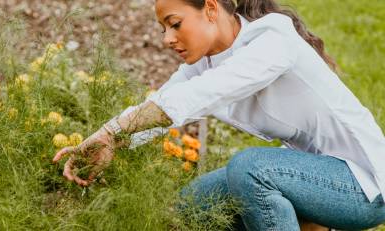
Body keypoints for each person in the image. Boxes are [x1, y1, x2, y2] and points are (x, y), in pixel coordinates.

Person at [52, 0, 385, 230]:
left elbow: (202, 94)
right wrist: (111, 141)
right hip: (308, 176)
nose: (167, 39)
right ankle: (310, 223)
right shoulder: (203, 63)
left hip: (362, 186)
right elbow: (166, 102)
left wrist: (112, 130)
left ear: (210, 8)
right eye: (163, 28)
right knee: (192, 205)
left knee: (251, 169)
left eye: (175, 24)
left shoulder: (273, 38)